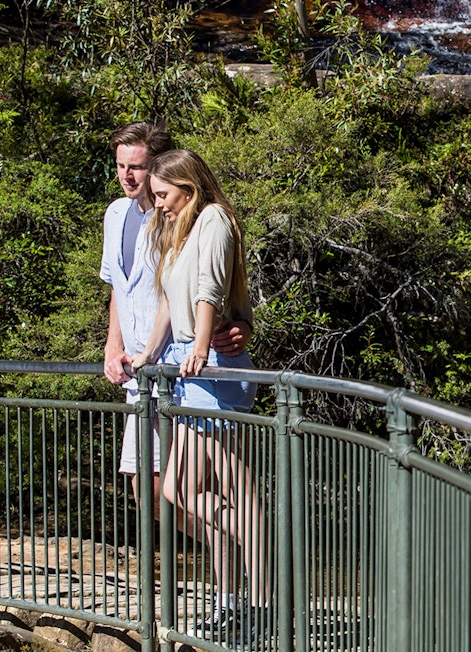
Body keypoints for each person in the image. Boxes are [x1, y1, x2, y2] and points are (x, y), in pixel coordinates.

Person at [130, 149, 268, 647]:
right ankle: (239, 585)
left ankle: (258, 602)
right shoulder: (178, 229)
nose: (159, 205)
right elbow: (170, 298)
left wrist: (205, 347)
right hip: (188, 365)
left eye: (164, 195)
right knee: (175, 491)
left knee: (237, 487)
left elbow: (210, 290)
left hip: (211, 367)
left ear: (187, 188)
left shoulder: (213, 219)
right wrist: (147, 352)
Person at [100, 121, 253, 496]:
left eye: (136, 166)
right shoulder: (116, 215)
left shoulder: (189, 217)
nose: (127, 175)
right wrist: (113, 345)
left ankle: (242, 549)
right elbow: (119, 287)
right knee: (151, 491)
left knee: (185, 490)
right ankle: (234, 549)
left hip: (183, 366)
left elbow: (214, 285)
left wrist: (241, 326)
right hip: (143, 371)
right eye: (121, 166)